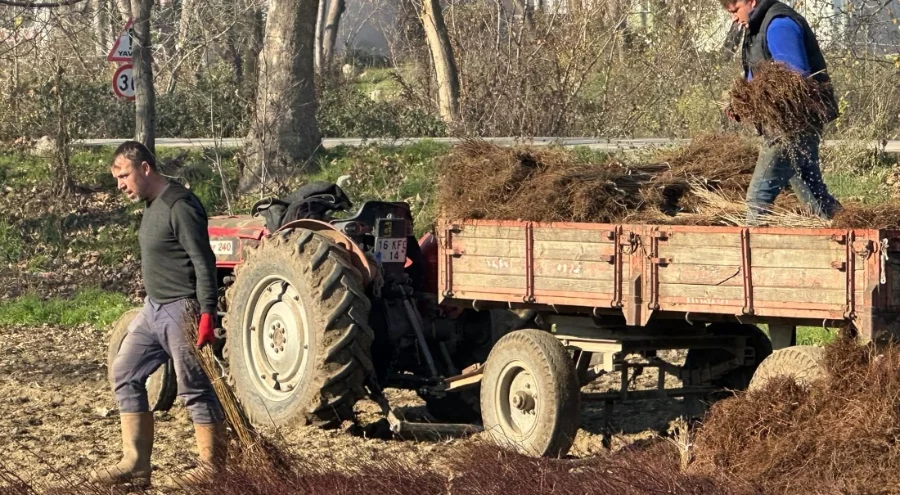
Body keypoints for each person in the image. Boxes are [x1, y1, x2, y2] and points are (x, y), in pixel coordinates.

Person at [91, 141, 226, 487]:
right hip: (153, 309)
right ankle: (136, 463)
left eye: (124, 176)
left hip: (182, 309)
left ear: (145, 168)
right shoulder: (152, 205)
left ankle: (212, 468)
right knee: (125, 371)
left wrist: (207, 313)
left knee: (194, 387)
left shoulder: (179, 205)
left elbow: (204, 261)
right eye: (117, 178)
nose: (120, 185)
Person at [722, 0, 842, 225]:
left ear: (752, 1)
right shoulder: (758, 28)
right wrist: (742, 103)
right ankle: (849, 229)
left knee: (758, 196)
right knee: (813, 195)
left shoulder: (779, 24)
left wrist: (754, 98)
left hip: (792, 128)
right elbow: (759, 75)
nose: (734, 18)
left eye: (736, 10)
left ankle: (752, 244)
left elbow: (793, 80)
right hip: (788, 125)